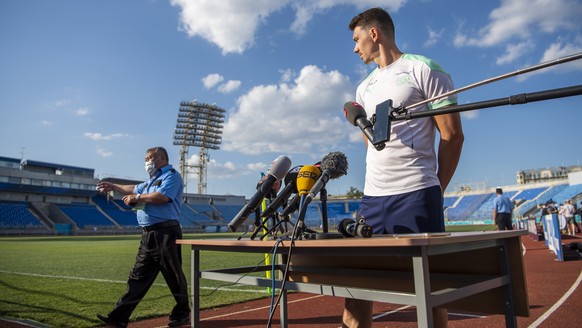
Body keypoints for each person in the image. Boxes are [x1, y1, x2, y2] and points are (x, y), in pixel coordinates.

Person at [345, 7, 464, 328]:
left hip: (417, 195)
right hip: (372, 200)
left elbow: (452, 136)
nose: (355, 48)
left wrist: (435, 188)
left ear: (374, 34)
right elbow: (370, 146)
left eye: (357, 40)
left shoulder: (424, 69)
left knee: (429, 293)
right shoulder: (363, 89)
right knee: (356, 293)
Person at [96, 147, 190, 328]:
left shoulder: (171, 176)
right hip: (148, 235)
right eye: (146, 158)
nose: (147, 162)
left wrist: (137, 196)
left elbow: (162, 197)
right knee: (137, 277)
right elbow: (131, 188)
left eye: (149, 158)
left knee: (173, 276)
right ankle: (118, 318)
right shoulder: (150, 180)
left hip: (166, 233)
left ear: (161, 158)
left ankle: (182, 312)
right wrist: (115, 187)